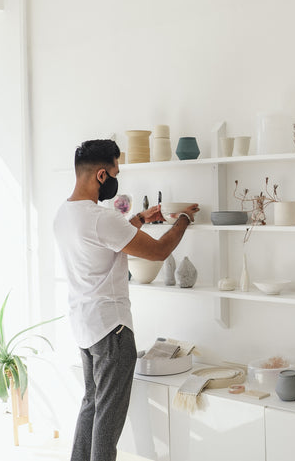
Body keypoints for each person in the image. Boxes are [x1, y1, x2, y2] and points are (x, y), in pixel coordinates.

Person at [54, 139, 199, 461]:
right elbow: (159, 252)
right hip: (112, 331)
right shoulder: (100, 218)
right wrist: (184, 220)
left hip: (84, 326)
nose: (118, 178)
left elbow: (106, 243)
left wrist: (142, 219)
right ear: (102, 175)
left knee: (92, 404)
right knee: (109, 417)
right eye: (116, 172)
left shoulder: (65, 213)